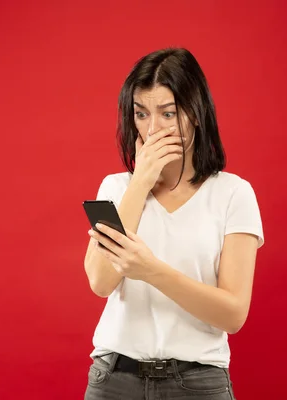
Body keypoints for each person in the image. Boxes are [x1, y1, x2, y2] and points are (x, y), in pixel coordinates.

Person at [83, 47, 264, 400]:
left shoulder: (233, 194)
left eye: (168, 113)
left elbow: (233, 314)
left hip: (198, 384)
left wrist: (149, 270)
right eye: (141, 114)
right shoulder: (115, 187)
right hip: (114, 379)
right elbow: (101, 281)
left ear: (196, 114)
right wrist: (140, 181)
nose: (154, 130)